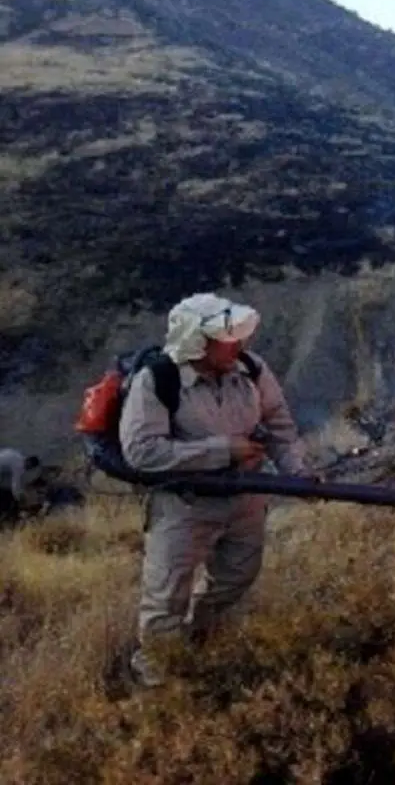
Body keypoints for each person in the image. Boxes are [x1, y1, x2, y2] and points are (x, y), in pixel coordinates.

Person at [118, 293, 312, 688]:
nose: (238, 344)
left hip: (246, 500)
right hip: (184, 508)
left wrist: (298, 470)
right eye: (226, 337)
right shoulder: (157, 381)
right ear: (196, 341)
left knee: (236, 579)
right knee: (166, 598)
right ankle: (158, 682)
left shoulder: (252, 369)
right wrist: (223, 450)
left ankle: (205, 649)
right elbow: (142, 452)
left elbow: (278, 424)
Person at [0, 449, 41, 523]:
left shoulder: (18, 457)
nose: (28, 469)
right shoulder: (19, 465)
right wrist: (21, 499)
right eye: (29, 467)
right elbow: (15, 486)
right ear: (29, 462)